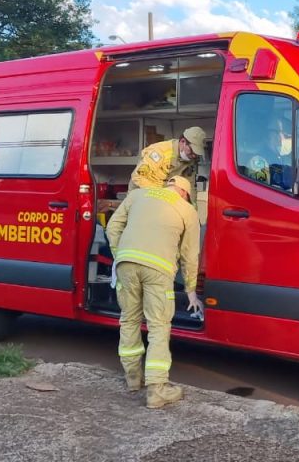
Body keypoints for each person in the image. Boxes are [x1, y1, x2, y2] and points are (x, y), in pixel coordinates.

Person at [105, 175, 202, 408]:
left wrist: (120, 254)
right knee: (158, 325)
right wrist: (191, 290)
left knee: (129, 320)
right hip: (158, 270)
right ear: (184, 193)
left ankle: (132, 379)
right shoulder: (187, 210)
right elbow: (190, 255)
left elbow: (112, 227)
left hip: (126, 264)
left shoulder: (138, 194)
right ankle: (157, 390)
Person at [129, 126, 206, 202]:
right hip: (141, 192)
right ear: (183, 142)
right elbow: (138, 177)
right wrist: (161, 195)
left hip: (163, 194)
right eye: (192, 151)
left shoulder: (190, 159)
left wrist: (192, 208)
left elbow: (190, 185)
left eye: (196, 153)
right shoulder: (160, 152)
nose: (193, 155)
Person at [244, 117, 293, 190]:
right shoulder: (258, 162)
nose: (289, 139)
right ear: (271, 135)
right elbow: (261, 193)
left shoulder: (277, 159)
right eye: (286, 135)